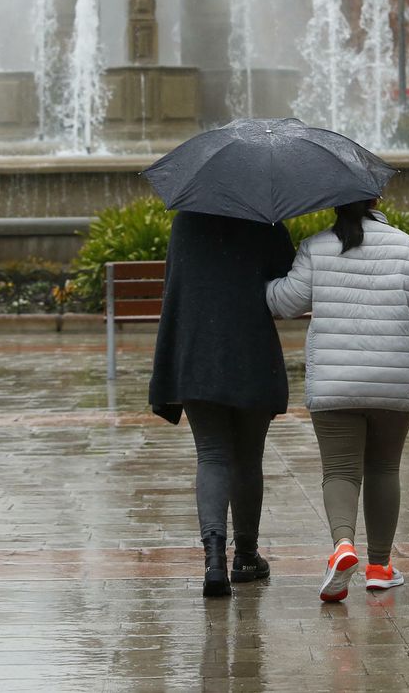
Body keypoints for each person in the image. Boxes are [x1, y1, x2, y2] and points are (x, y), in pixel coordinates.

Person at [266, 200, 409, 602]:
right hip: (396, 381)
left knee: (340, 471)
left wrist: (262, 283)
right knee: (384, 468)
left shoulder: (316, 247)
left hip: (333, 382)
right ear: (376, 202)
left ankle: (343, 547)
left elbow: (286, 302)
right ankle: (380, 567)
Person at [149, 211, 296, 598]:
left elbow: (175, 285)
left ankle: (214, 560)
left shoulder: (187, 221)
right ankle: (246, 556)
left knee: (212, 455)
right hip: (252, 350)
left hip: (197, 353)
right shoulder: (267, 222)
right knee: (249, 457)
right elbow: (285, 283)